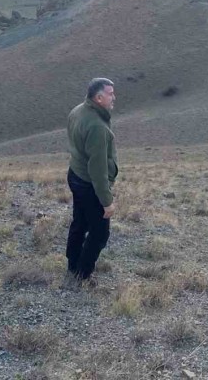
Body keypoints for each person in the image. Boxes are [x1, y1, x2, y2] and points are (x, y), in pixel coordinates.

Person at [65, 77, 119, 285]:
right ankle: (82, 274)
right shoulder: (97, 126)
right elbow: (97, 170)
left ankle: (72, 264)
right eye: (110, 93)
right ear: (98, 98)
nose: (114, 97)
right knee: (99, 233)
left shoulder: (78, 110)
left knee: (79, 222)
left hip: (75, 175)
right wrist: (107, 201)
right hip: (89, 184)